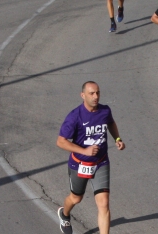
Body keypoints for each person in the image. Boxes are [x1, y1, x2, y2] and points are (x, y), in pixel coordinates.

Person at [56, 81, 126, 234]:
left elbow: (111, 124)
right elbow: (61, 141)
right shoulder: (75, 116)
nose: (96, 97)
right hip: (80, 164)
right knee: (76, 199)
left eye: (98, 93)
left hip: (101, 162)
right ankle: (64, 214)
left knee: (104, 203)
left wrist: (118, 139)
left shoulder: (105, 111)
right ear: (83, 95)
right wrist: (85, 151)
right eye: (92, 93)